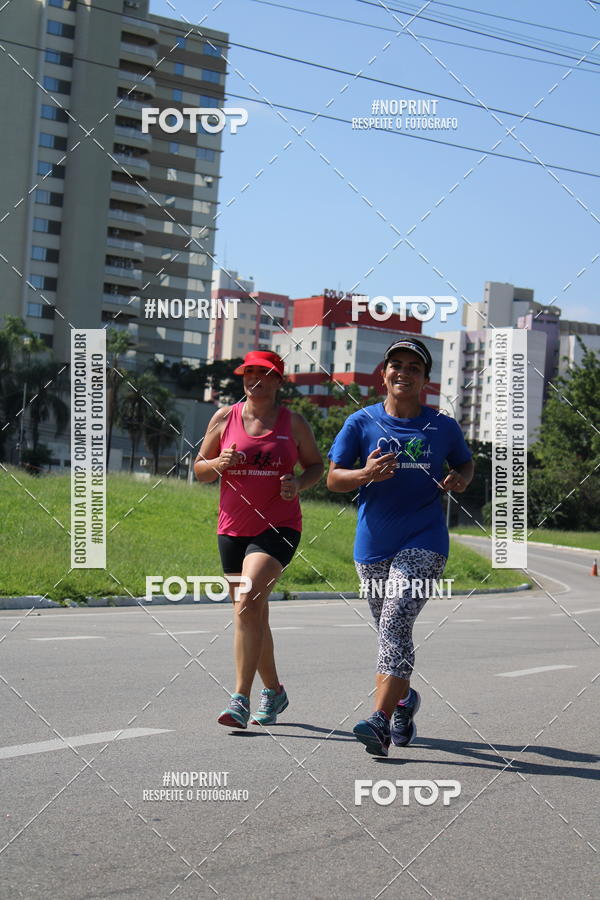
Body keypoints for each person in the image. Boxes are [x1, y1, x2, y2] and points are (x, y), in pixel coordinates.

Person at [326, 338, 474, 756]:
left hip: (425, 540)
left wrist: (461, 478)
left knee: (393, 624)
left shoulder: (442, 426)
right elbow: (333, 479)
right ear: (384, 373)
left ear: (426, 380)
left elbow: (465, 462)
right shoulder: (360, 422)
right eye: (397, 365)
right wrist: (365, 474)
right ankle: (404, 701)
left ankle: (378, 720)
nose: (403, 372)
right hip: (372, 545)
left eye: (414, 367)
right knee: (391, 634)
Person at [194, 350, 323, 730]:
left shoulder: (293, 423)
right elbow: (200, 469)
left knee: (247, 603)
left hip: (279, 526)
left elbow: (316, 466)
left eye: (265, 374)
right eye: (249, 373)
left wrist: (298, 483)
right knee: (252, 613)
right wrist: (218, 464)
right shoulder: (224, 418)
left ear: (278, 381)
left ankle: (239, 698)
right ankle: (274, 691)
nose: (255, 380)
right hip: (232, 528)